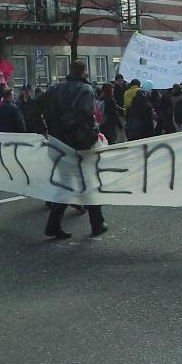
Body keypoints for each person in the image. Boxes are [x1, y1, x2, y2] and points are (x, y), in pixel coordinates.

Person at [42, 60, 108, 239]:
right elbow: (87, 114)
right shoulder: (85, 90)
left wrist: (49, 129)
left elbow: (37, 107)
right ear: (83, 72)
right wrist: (95, 131)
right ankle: (97, 223)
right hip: (79, 144)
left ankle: (53, 225)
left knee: (66, 184)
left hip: (59, 144)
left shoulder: (55, 89)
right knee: (89, 182)